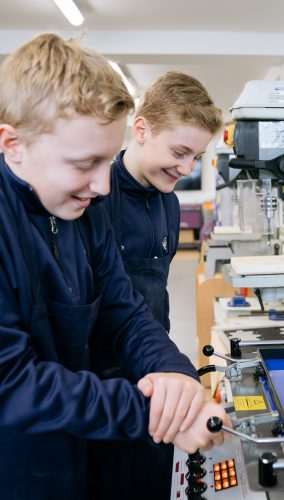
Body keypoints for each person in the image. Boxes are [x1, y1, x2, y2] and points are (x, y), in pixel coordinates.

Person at [0, 33, 229, 500]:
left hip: (78, 435)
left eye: (108, 161)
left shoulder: (82, 211)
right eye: (86, 163)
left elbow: (123, 310)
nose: (104, 186)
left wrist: (176, 374)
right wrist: (152, 412)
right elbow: (12, 383)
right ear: (13, 143)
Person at [87, 71, 223, 499]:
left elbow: (152, 297)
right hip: (102, 380)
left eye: (195, 158)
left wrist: (171, 370)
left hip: (154, 361)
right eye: (180, 152)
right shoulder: (94, 200)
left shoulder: (167, 202)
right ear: (142, 129)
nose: (186, 169)